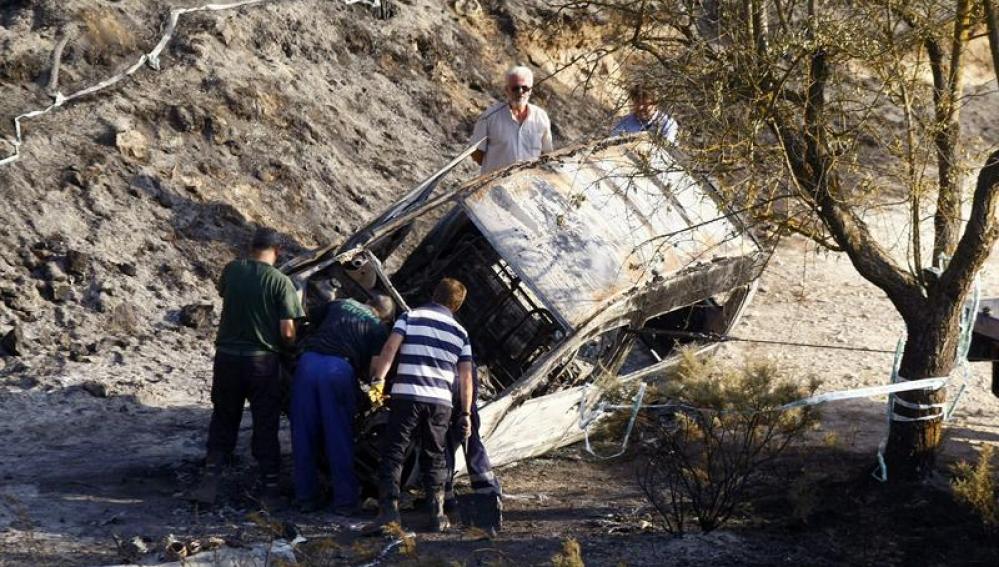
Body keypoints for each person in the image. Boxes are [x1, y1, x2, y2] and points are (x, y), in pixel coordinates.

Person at [193, 227, 305, 505]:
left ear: (250, 247)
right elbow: (288, 330)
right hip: (261, 362)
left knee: (223, 416)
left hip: (227, 358)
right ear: (277, 252)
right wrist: (291, 351)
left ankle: (209, 481)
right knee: (264, 422)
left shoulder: (232, 270)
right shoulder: (280, 282)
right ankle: (268, 488)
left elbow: (226, 294)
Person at [367, 278, 474, 533]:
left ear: (433, 294)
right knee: (434, 455)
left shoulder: (410, 316)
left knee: (394, 451)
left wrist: (378, 381)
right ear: (456, 306)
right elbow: (467, 376)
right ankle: (436, 515)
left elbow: (391, 347)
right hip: (440, 402)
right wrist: (466, 413)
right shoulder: (461, 333)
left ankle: (390, 513)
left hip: (407, 395)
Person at [290, 292, 395, 515]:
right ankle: (345, 502)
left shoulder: (340, 303)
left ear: (368, 302)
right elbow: (375, 371)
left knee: (303, 433)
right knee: (338, 435)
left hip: (307, 365)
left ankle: (306, 499)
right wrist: (376, 394)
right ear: (386, 318)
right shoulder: (378, 329)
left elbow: (308, 321)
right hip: (337, 370)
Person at [471, 65, 554, 175]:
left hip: (529, 185)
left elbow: (547, 154)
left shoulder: (541, 117)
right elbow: (477, 154)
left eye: (525, 88)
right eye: (515, 88)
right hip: (495, 187)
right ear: (507, 90)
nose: (520, 92)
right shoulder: (489, 117)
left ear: (531, 90)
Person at [443, 365, 502, 516]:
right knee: (472, 445)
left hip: (445, 391)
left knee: (445, 447)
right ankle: (489, 492)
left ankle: (447, 499)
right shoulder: (462, 342)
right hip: (463, 390)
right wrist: (467, 411)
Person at [611, 84, 679, 143]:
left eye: (645, 103)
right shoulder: (624, 122)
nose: (640, 107)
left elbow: (669, 151)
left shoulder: (668, 124)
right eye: (637, 102)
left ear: (655, 104)